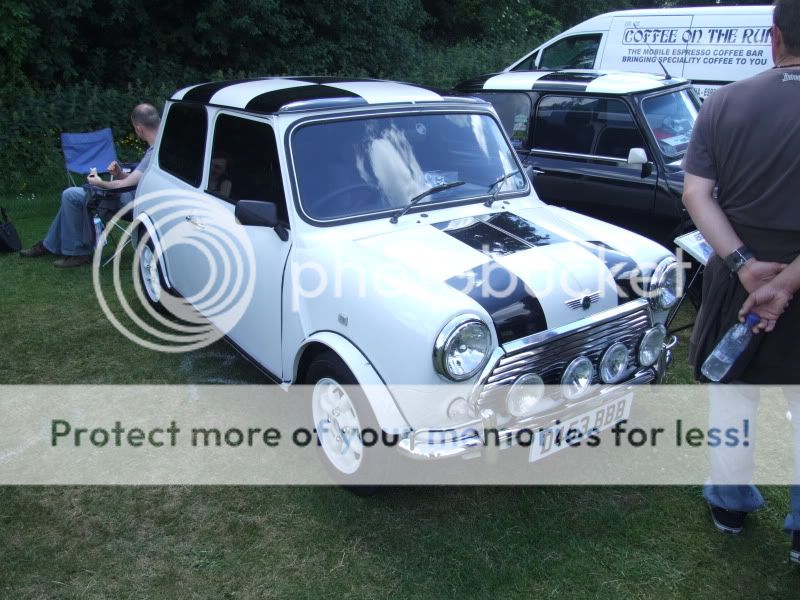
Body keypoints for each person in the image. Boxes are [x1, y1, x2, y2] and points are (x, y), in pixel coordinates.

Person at [682, 0, 800, 564]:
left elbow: (695, 194)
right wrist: (787, 281)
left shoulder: (723, 101)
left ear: (774, 37)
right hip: (786, 283)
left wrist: (748, 267)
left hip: (737, 280)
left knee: (733, 399)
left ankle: (728, 504)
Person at [20, 103, 161, 267]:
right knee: (73, 197)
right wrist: (120, 174)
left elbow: (123, 186)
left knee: (71, 195)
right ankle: (49, 245)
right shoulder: (163, 145)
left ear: (139, 128)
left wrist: (99, 183)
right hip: (139, 196)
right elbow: (139, 178)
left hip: (134, 204)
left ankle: (78, 252)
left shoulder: (154, 151)